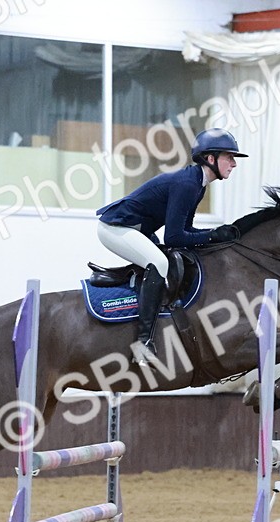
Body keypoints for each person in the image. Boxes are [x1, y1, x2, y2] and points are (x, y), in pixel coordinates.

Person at [95, 128, 247, 362]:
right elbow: (174, 238)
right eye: (229, 157)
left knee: (163, 258)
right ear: (210, 159)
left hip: (136, 229)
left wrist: (216, 234)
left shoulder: (197, 184)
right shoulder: (188, 184)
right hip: (115, 228)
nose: (234, 164)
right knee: (158, 262)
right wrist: (213, 235)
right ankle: (143, 343)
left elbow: (187, 231)